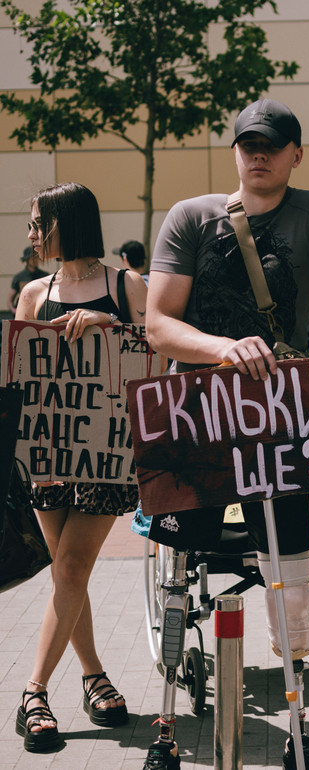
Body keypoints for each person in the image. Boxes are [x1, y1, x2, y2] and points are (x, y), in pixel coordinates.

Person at [144, 98, 309, 766]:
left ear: (295, 153)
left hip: (281, 412)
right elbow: (159, 324)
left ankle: (299, 718)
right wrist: (222, 348)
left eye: (272, 144)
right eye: (247, 144)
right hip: (198, 412)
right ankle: (164, 729)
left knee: (293, 577)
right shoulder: (190, 217)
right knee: (182, 571)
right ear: (234, 151)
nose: (257, 154)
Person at [14, 182, 148, 753]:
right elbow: (18, 380)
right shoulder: (32, 294)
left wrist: (109, 327)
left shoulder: (126, 285)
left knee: (70, 566)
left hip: (108, 455)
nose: (30, 234)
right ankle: (94, 676)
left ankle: (32, 692)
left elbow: (153, 360)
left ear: (65, 223)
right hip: (46, 455)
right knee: (69, 574)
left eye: (37, 223)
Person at [7, 246, 48, 316]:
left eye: (37, 258)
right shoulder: (19, 277)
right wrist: (14, 311)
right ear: (27, 260)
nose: (35, 260)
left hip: (40, 313)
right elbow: (10, 300)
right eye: (32, 258)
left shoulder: (46, 276)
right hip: (23, 313)